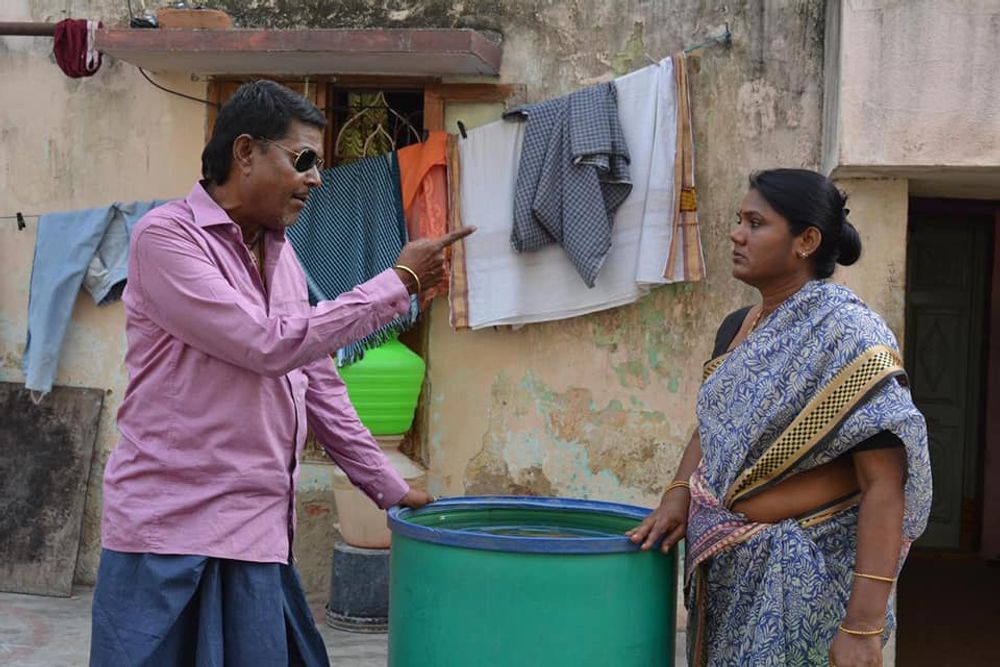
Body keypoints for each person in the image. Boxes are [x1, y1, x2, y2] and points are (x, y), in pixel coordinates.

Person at [89, 81, 474, 666]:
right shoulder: (166, 238)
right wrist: (398, 282)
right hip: (169, 536)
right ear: (245, 152)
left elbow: (319, 384)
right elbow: (265, 345)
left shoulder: (283, 253)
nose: (316, 178)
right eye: (304, 159)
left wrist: (389, 487)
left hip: (256, 533)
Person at [627, 169, 932, 666]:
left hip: (803, 580)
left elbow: (884, 483)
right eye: (739, 220)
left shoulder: (849, 335)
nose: (736, 234)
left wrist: (862, 626)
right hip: (728, 577)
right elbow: (716, 423)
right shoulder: (737, 327)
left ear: (806, 241)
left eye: (755, 223)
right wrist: (678, 494)